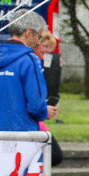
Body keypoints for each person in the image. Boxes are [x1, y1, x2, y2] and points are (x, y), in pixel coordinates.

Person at [0, 10, 57, 132]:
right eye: (38, 36)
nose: (39, 42)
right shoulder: (30, 60)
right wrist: (44, 111)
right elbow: (36, 107)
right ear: (28, 33)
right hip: (23, 138)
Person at [34, 30, 63, 166]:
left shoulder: (50, 60)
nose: (47, 51)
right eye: (44, 46)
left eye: (50, 48)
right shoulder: (32, 63)